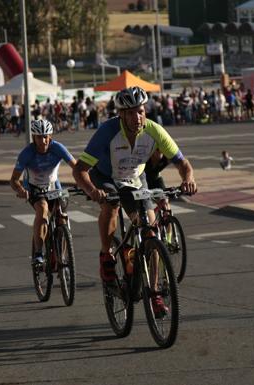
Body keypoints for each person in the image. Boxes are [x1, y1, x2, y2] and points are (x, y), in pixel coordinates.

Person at [72, 86, 197, 317]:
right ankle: (106, 255)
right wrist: (91, 190)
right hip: (106, 176)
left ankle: (155, 292)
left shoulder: (154, 130)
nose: (136, 117)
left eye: (140, 111)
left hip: (134, 179)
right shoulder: (107, 131)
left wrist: (188, 178)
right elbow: (80, 170)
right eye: (130, 112)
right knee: (111, 205)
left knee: (151, 231)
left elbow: (182, 163)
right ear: (121, 114)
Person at [10, 119, 77, 266]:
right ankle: (39, 253)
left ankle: (62, 256)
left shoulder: (58, 148)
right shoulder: (27, 153)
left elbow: (76, 167)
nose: (43, 140)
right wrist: (21, 190)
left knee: (62, 217)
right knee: (43, 210)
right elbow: (13, 180)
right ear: (34, 138)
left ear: (50, 136)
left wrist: (85, 183)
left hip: (54, 186)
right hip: (34, 187)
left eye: (46, 136)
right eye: (39, 137)